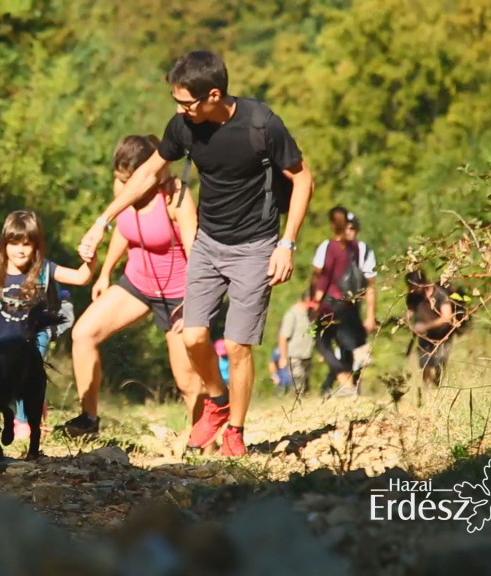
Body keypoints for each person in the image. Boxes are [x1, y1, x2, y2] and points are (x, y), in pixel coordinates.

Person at [78, 50, 314, 456]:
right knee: (193, 336)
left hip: (255, 246)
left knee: (239, 346)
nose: (179, 109)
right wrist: (103, 221)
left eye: (186, 102)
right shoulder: (183, 127)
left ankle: (235, 432)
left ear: (214, 95)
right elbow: (147, 173)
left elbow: (302, 179)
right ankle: (218, 401)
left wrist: (287, 243)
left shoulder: (261, 124)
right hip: (209, 243)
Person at [62, 135, 203, 437]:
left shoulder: (175, 195)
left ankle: (202, 440)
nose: (124, 186)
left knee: (187, 378)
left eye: (130, 179)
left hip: (178, 293)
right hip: (137, 284)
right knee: (83, 333)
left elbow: (195, 251)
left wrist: (193, 299)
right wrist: (105, 272)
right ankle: (87, 419)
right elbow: (124, 231)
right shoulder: (123, 190)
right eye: (120, 179)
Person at [0, 210, 95, 439]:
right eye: (14, 243)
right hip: (4, 339)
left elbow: (81, 278)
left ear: (36, 246)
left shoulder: (43, 270)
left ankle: (23, 423)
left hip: (34, 336)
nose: (20, 249)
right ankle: (28, 413)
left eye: (26, 244)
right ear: (4, 244)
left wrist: (91, 259)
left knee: (26, 373)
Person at [312, 209, 377, 393]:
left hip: (332, 303)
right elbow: (370, 283)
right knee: (343, 343)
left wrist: (315, 302)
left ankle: (346, 383)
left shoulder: (332, 246)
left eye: (352, 228)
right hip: (348, 303)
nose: (349, 231)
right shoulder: (359, 249)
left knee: (323, 342)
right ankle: (348, 383)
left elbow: (321, 277)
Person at [404, 270, 456, 387]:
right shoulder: (413, 296)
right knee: (425, 364)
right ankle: (428, 390)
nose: (413, 290)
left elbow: (447, 318)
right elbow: (409, 312)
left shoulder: (440, 294)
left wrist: (426, 326)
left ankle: (439, 386)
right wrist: (403, 321)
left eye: (415, 287)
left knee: (440, 363)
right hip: (425, 336)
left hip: (443, 334)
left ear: (423, 283)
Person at [277, 289, 317, 396]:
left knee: (306, 385)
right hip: (294, 355)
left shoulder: (310, 314)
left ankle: (304, 405)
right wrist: (283, 357)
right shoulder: (292, 314)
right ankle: (294, 403)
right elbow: (283, 337)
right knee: (298, 383)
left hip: (307, 355)